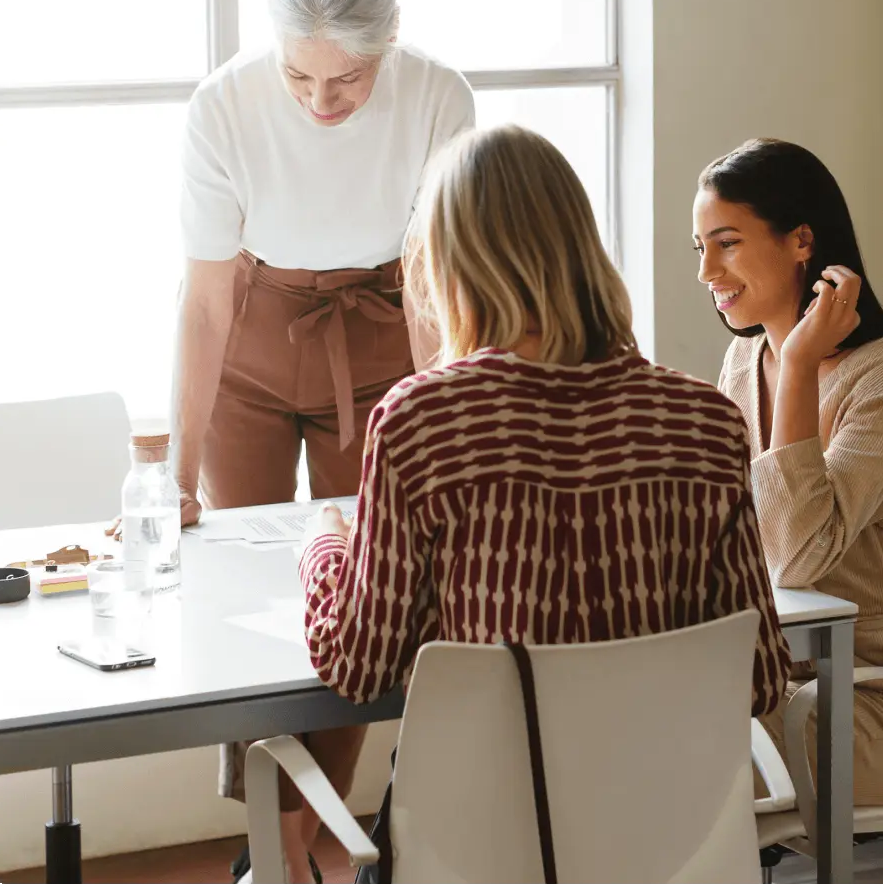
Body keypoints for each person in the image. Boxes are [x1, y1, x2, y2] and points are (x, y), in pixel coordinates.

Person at [299, 125, 792, 868]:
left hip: (474, 852)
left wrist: (324, 549)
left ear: (452, 266)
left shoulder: (421, 424)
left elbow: (358, 664)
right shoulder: (706, 423)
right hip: (665, 848)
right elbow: (758, 675)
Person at [175, 0, 473, 882]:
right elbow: (207, 302)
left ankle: (289, 847)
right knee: (243, 594)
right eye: (299, 78)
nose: (320, 101)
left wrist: (446, 432)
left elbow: (436, 290)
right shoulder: (223, 102)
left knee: (369, 599)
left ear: (388, 44)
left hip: (385, 333)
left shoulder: (440, 97)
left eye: (344, 81)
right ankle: (284, 843)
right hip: (252, 344)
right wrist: (176, 470)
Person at [692, 138, 883, 807]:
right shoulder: (741, 364)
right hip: (768, 682)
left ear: (800, 240)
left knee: (669, 763)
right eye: (701, 248)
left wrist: (802, 364)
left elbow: (796, 553)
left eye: (726, 243)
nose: (707, 272)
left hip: (876, 704)